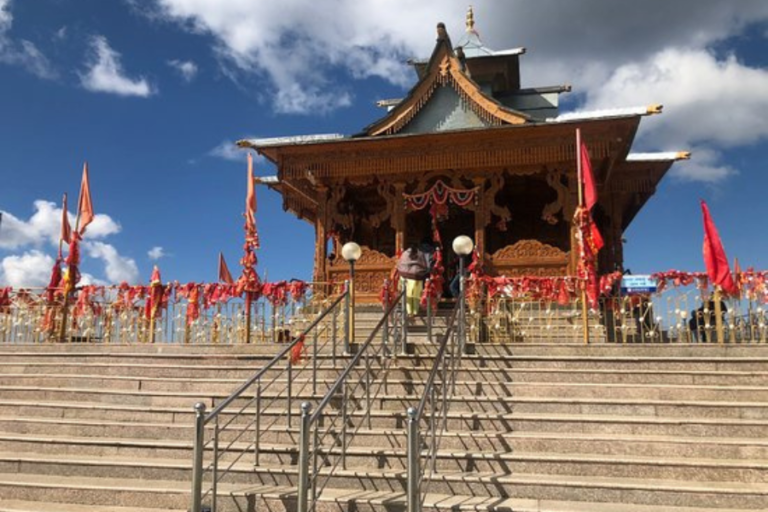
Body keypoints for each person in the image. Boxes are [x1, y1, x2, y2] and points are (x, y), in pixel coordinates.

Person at [397, 243, 430, 317]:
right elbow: (424, 264)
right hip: (417, 277)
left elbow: (400, 263)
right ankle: (415, 311)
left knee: (407, 295)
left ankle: (409, 312)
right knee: (416, 295)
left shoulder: (405, 253)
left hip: (405, 276)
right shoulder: (420, 253)